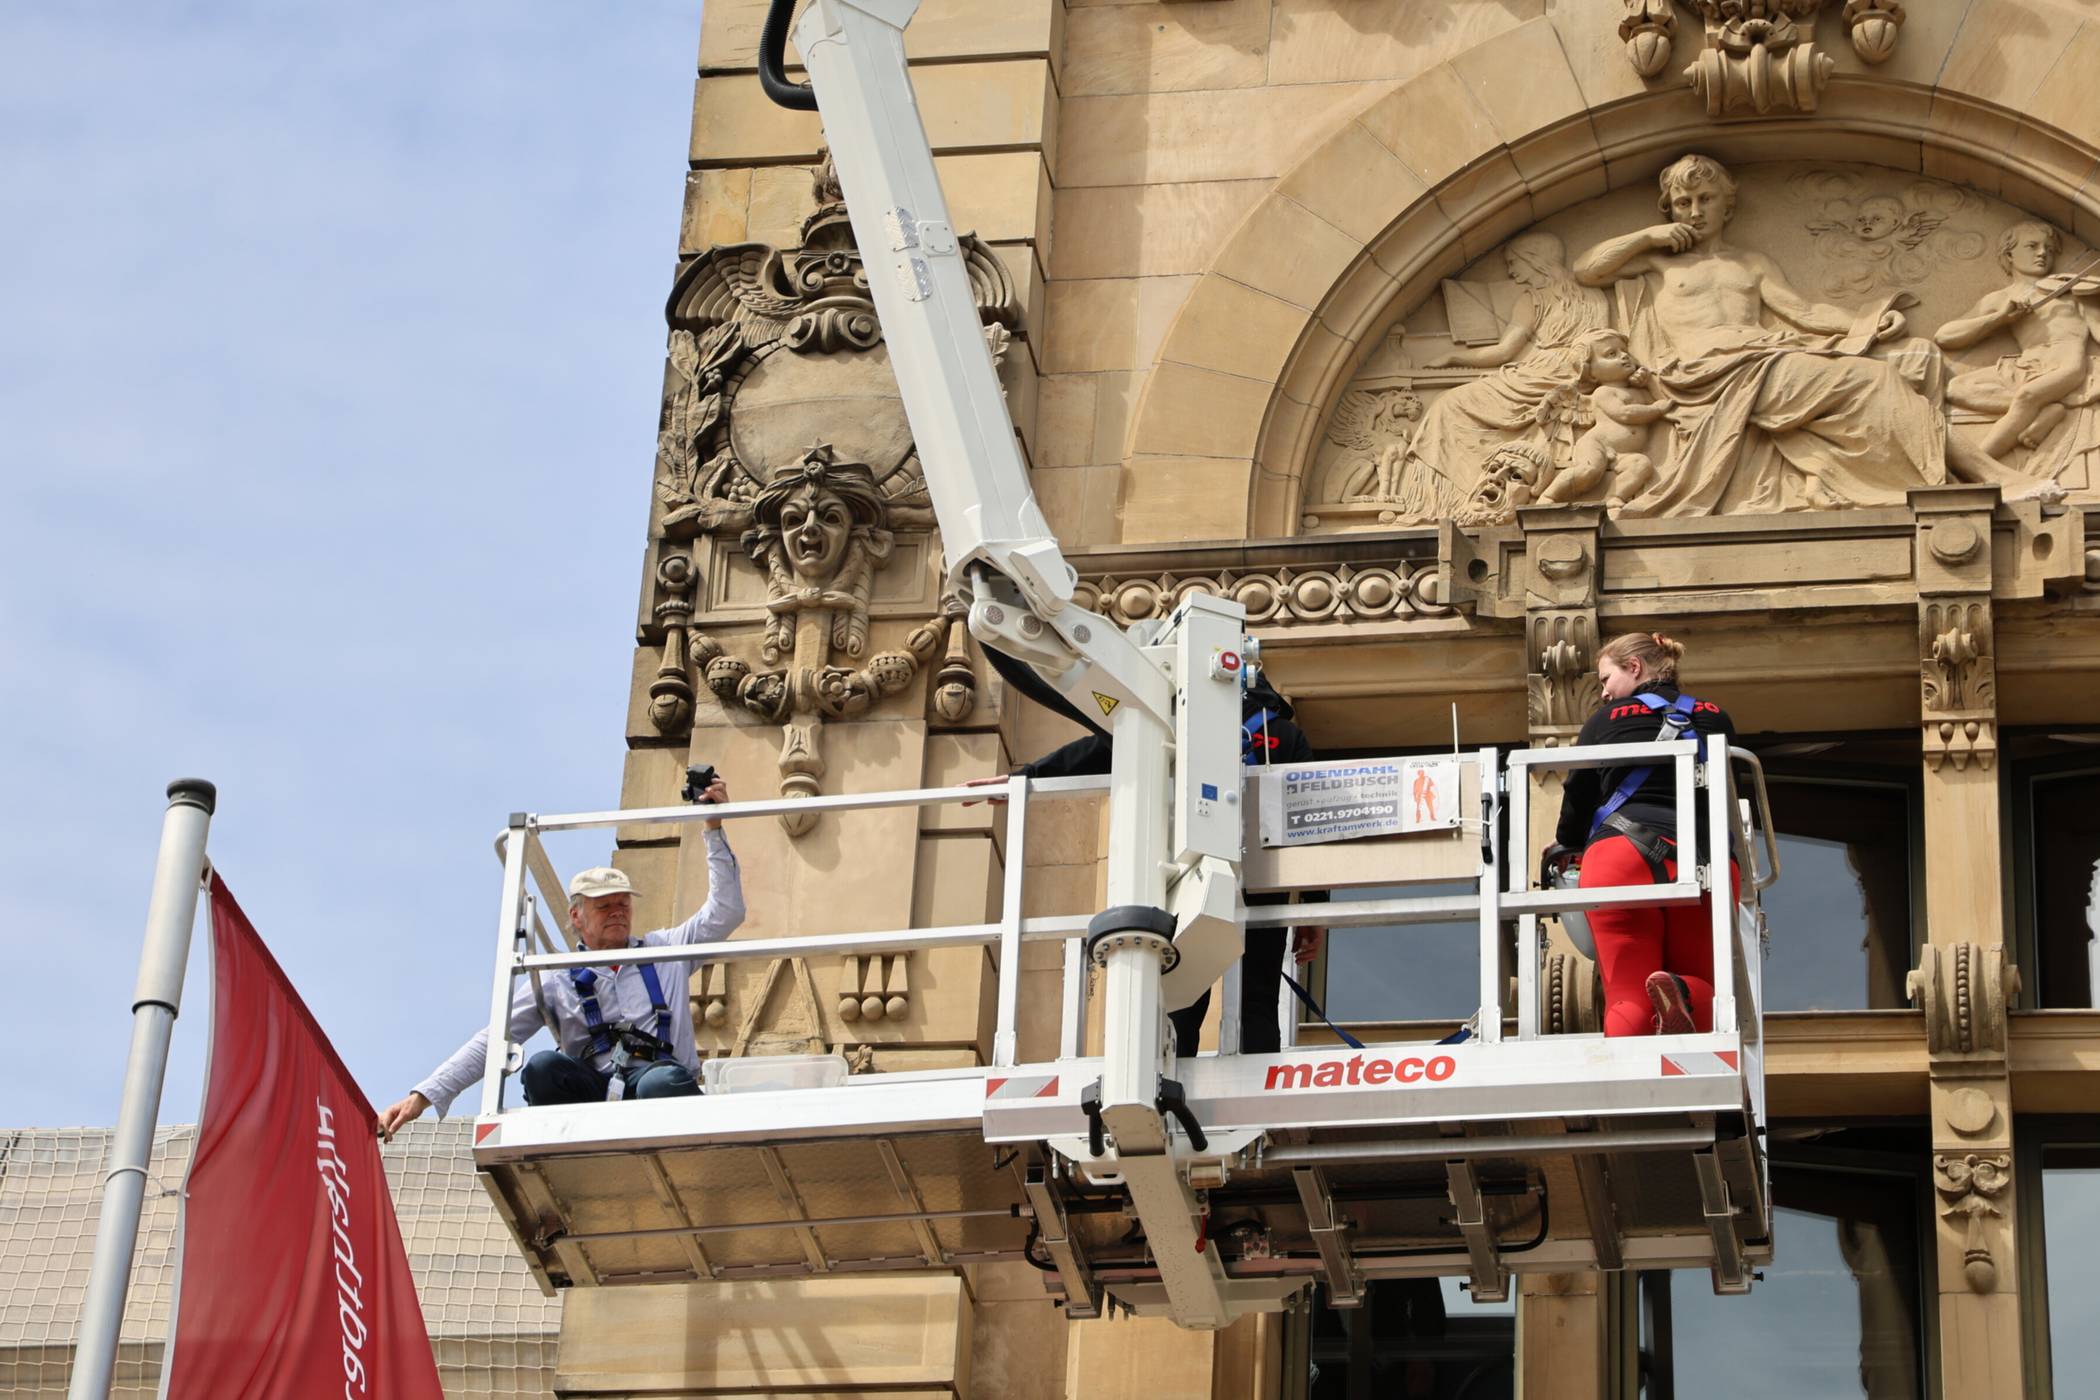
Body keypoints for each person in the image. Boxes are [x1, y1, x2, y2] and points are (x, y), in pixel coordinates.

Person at [1574, 153, 2060, 515]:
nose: (1694, 211)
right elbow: (1589, 269)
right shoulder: (1659, 261)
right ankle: (1991, 477)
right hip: (1706, 372)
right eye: (1682, 203)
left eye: (1705, 200)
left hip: (1763, 360)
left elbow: (1803, 311)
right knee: (1875, 381)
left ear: (1728, 204)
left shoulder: (1752, 263)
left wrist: (1866, 323)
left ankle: (1838, 478)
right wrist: (1645, 236)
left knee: (1896, 365)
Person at [971, 673, 1327, 1057]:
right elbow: (1307, 823)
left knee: (1184, 995)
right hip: (1261, 885)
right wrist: (1313, 908)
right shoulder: (1284, 737)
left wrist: (1024, 779)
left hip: (1191, 875)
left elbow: (1101, 749)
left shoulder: (1177, 721)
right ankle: (1262, 1085)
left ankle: (1175, 1084)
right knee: (1257, 997)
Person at [375, 776, 744, 1138]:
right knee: (542, 1068)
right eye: (604, 906)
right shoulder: (556, 978)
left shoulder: (667, 951)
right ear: (577, 916)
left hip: (658, 1087)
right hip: (593, 1095)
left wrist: (711, 828)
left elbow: (726, 911)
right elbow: (495, 1037)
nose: (617, 911)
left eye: (623, 903)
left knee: (659, 1083)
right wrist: (423, 1095)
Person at [1552, 634, 1739, 1038]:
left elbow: (1576, 802)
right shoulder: (1716, 717)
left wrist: (1568, 842)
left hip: (1621, 854)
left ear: (1634, 667)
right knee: (1706, 980)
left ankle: (1625, 1080)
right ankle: (1682, 991)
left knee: (1627, 996)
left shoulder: (1604, 721)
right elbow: (1727, 794)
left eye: (1606, 679)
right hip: (1705, 857)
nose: (1603, 693)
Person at [1936, 220, 2100, 461]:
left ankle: (1976, 465)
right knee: (1956, 388)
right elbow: (1945, 336)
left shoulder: (2072, 293)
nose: (2043, 253)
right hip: (2026, 366)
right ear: (2009, 254)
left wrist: (2093, 300)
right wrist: (1998, 320)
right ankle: (2047, 410)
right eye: (2032, 246)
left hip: (2067, 365)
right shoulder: (2002, 299)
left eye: (2049, 249)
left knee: (2027, 396)